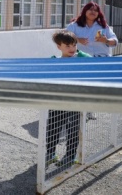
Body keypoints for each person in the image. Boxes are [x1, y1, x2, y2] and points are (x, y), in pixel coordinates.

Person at [45, 29, 91, 169]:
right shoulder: (54, 61)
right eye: (67, 46)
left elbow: (93, 68)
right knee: (53, 127)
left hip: (76, 101)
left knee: (73, 128)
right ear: (59, 47)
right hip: (57, 101)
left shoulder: (83, 58)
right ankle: (50, 154)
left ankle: (70, 156)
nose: (72, 49)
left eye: (74, 45)